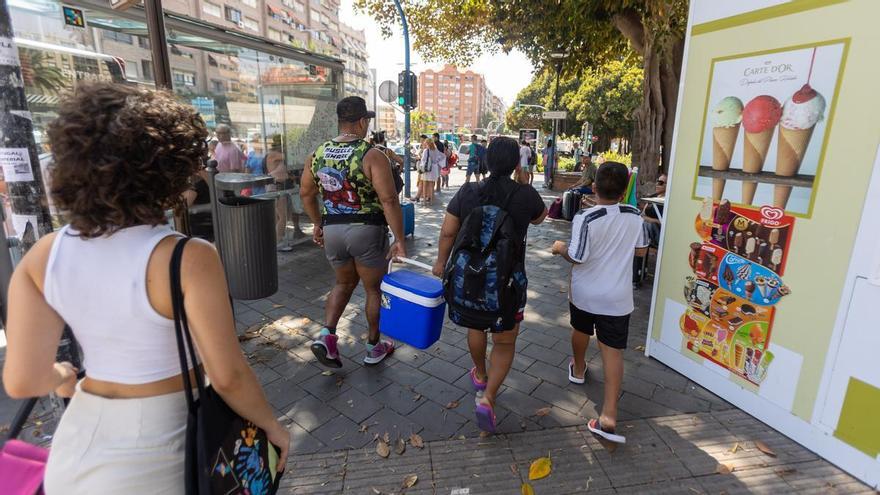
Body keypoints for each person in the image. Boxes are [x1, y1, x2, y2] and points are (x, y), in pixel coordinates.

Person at [1, 83, 289, 492]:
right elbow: (227, 376)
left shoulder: (43, 255)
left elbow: (22, 381)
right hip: (161, 453)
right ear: (167, 169)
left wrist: (63, 373)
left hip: (75, 446)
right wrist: (272, 427)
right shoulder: (187, 257)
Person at [433, 137, 548, 433]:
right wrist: (524, 181)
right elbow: (540, 218)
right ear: (515, 163)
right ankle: (489, 397)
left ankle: (481, 374)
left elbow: (447, 232)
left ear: (486, 160)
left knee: (476, 326)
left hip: (470, 278)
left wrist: (440, 262)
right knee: (505, 340)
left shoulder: (469, 190)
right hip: (508, 280)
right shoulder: (524, 194)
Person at [301, 96, 406, 368]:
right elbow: (389, 200)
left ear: (340, 121)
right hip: (367, 230)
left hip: (333, 231)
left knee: (342, 283)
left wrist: (318, 223)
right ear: (362, 121)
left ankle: (326, 337)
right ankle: (373, 346)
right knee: (373, 290)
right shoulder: (371, 155)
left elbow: (306, 193)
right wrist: (400, 240)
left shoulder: (318, 153)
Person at [550, 161, 648, 446]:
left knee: (580, 330)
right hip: (618, 298)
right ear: (624, 190)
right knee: (613, 351)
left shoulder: (586, 217)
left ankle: (578, 369)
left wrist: (559, 248)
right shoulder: (636, 216)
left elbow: (577, 256)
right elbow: (641, 251)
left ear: (594, 187)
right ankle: (608, 416)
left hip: (586, 293)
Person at [418, 139, 444, 206]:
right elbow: (441, 157)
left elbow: (423, 160)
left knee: (425, 185)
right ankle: (431, 202)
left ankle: (424, 202)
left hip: (427, 169)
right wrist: (435, 162)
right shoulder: (436, 150)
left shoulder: (426, 150)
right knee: (432, 186)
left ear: (427, 143)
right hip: (434, 169)